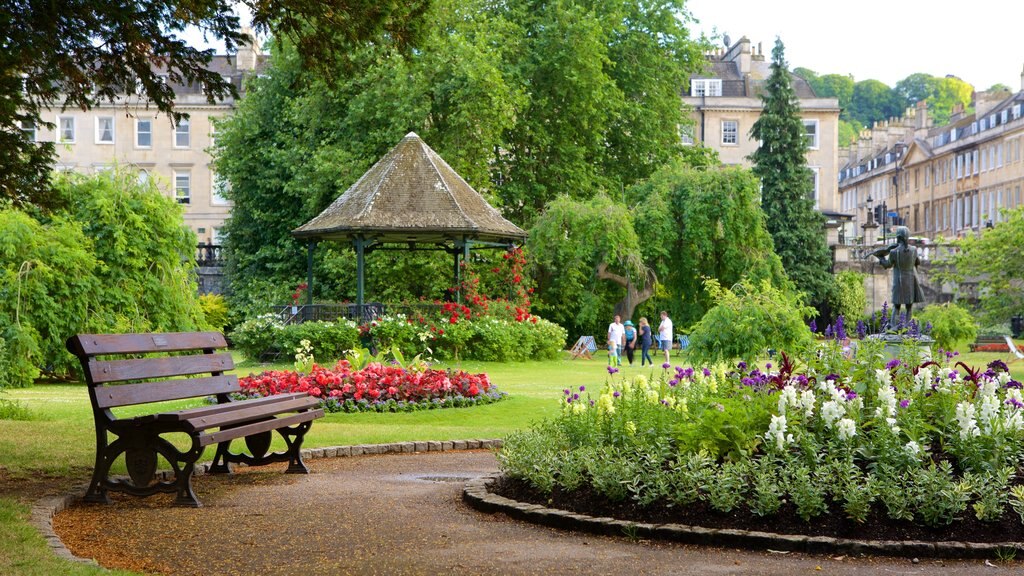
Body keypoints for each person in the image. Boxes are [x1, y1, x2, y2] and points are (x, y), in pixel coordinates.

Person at [875, 226, 924, 322]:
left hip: (899, 281)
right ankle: (907, 326)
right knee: (909, 307)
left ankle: (893, 327)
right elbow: (918, 262)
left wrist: (880, 257)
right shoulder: (913, 249)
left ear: (898, 237)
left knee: (896, 306)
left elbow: (887, 265)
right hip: (910, 281)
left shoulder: (894, 251)